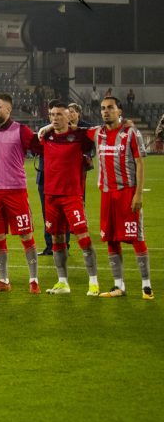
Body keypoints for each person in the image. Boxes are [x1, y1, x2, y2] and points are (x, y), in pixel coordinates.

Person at [88, 97, 152, 299]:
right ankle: (118, 286)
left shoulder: (131, 133)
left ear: (119, 111)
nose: (106, 111)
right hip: (107, 195)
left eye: (110, 108)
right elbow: (73, 127)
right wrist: (47, 128)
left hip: (127, 193)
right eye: (103, 109)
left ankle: (146, 286)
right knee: (111, 239)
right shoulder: (97, 133)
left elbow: (140, 163)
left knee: (136, 238)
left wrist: (138, 194)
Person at [0, 94, 43, 293]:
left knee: (25, 234)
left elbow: (42, 148)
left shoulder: (21, 131)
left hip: (15, 191)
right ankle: (3, 280)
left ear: (8, 110)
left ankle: (33, 280)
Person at [36, 100, 99, 295]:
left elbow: (101, 131)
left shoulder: (80, 136)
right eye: (52, 115)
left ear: (69, 116)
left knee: (83, 238)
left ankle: (93, 282)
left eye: (59, 114)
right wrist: (45, 128)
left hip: (72, 196)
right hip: (51, 197)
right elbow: (29, 139)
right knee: (56, 238)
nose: (55, 118)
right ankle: (62, 282)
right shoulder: (46, 137)